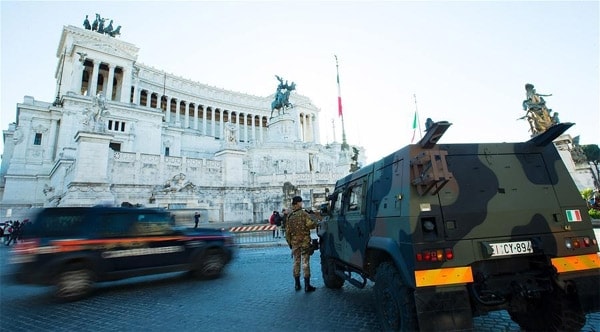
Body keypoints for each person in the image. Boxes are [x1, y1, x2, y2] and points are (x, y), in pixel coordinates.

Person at [285, 196, 317, 292]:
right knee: (305, 263)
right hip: (304, 242)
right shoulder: (304, 214)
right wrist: (314, 219)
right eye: (301, 202)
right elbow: (310, 225)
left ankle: (297, 285)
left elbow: (287, 232)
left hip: (294, 243)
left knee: (296, 262)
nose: (302, 204)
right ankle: (307, 286)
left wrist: (290, 243)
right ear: (298, 203)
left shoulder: (289, 216)